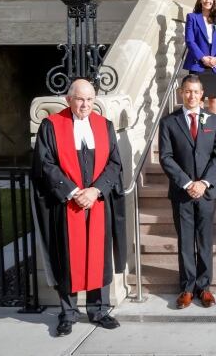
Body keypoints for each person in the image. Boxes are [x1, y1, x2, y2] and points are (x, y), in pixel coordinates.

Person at [31, 79, 126, 337]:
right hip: (67, 204)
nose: (85, 105)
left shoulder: (104, 125)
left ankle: (99, 310)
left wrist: (96, 190)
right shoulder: (51, 126)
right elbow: (45, 163)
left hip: (96, 201)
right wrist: (73, 192)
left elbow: (115, 164)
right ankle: (68, 313)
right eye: (80, 99)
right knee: (67, 257)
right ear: (68, 99)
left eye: (90, 99)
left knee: (99, 254)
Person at [158, 75, 216, 309]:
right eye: (187, 91)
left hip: (206, 192)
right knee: (186, 240)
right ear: (180, 93)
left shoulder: (214, 121)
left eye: (196, 92)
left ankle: (204, 287)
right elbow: (166, 158)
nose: (192, 96)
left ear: (202, 93)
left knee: (204, 240)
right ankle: (187, 287)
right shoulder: (169, 122)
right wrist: (187, 183)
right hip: (182, 192)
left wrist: (204, 182)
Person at [183, 0, 216, 116]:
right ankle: (199, 130)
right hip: (198, 64)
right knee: (198, 99)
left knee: (214, 100)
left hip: (215, 65)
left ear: (214, 1)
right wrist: (203, 58)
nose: (207, 0)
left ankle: (213, 131)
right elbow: (190, 41)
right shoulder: (192, 17)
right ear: (200, 0)